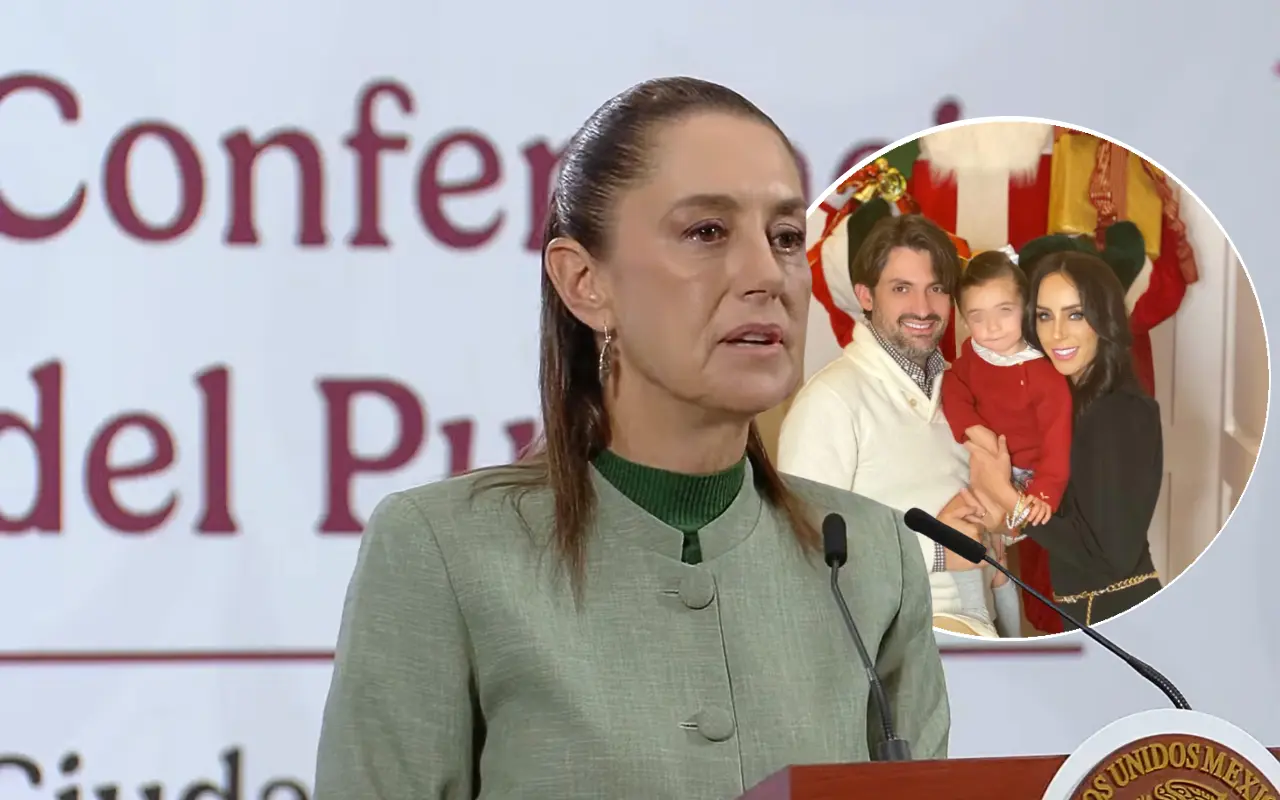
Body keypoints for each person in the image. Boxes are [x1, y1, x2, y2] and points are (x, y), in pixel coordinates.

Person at [312, 77, 948, 800]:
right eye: (707, 232)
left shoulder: (873, 555)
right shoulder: (443, 550)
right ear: (585, 282)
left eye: (785, 238)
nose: (765, 275)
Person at [777, 213, 1021, 639]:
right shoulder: (829, 402)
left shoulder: (968, 391)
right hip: (888, 645)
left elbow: (1001, 526)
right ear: (866, 295)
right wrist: (937, 551)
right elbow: (800, 554)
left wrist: (1005, 520)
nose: (923, 308)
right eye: (901, 288)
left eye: (937, 288)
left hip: (982, 633)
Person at [964, 249, 1163, 629]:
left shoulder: (1121, 412)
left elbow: (1110, 557)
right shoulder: (1073, 403)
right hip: (1086, 613)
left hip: (1118, 617)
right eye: (1044, 315)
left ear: (1104, 317)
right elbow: (1073, 519)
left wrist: (1007, 497)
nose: (1056, 333)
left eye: (1075, 314)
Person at [941, 248, 1074, 541]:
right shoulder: (974, 354)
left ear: (1025, 307)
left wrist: (1045, 490)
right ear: (963, 320)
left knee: (985, 527)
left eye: (1004, 311)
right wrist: (972, 428)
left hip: (1027, 477)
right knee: (953, 525)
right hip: (982, 460)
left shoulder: (1044, 374)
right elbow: (951, 385)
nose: (992, 327)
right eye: (978, 317)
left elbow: (1057, 441)